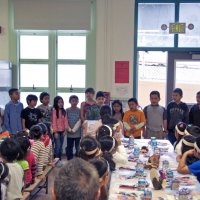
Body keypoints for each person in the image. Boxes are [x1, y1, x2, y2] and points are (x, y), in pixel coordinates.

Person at [52, 96, 68, 160]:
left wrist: (65, 131)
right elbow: (54, 122)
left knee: (61, 146)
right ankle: (56, 159)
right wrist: (55, 132)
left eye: (62, 102)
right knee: (57, 147)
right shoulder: (54, 110)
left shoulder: (64, 111)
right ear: (56, 103)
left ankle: (59, 159)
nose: (61, 104)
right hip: (57, 132)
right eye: (59, 102)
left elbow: (66, 121)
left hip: (63, 131)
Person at [66, 95, 81, 160]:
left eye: (76, 101)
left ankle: (78, 159)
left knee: (78, 147)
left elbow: (80, 120)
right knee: (69, 147)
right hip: (69, 133)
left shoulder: (79, 110)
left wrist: (74, 129)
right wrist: (69, 129)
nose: (74, 102)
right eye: (73, 101)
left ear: (78, 102)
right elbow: (65, 120)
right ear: (70, 101)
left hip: (77, 133)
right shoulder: (67, 110)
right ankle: (70, 160)